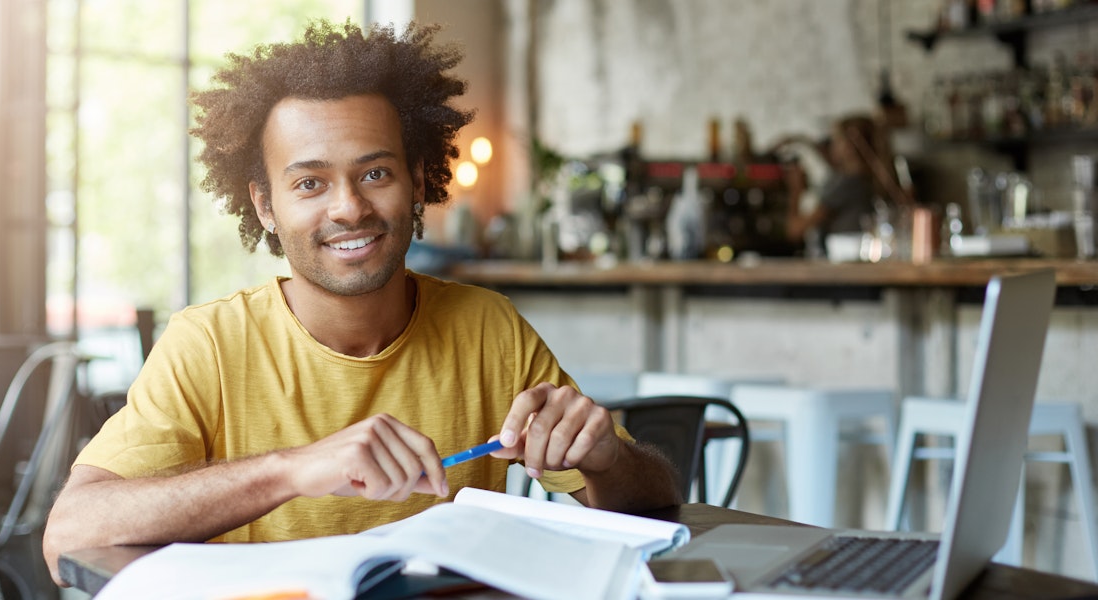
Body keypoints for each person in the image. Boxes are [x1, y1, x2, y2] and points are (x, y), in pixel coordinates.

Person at [42, 20, 679, 586]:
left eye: (375, 173)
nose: (348, 207)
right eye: (310, 183)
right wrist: (291, 471)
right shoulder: (208, 345)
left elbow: (652, 504)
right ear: (266, 205)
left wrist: (607, 459)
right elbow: (68, 537)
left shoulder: (489, 328)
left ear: (419, 179)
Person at [781, 114, 891, 253]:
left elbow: (794, 230)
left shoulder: (848, 184)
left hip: (843, 260)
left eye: (836, 140)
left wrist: (795, 191)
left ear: (848, 147)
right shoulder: (869, 179)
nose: (831, 146)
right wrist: (802, 140)